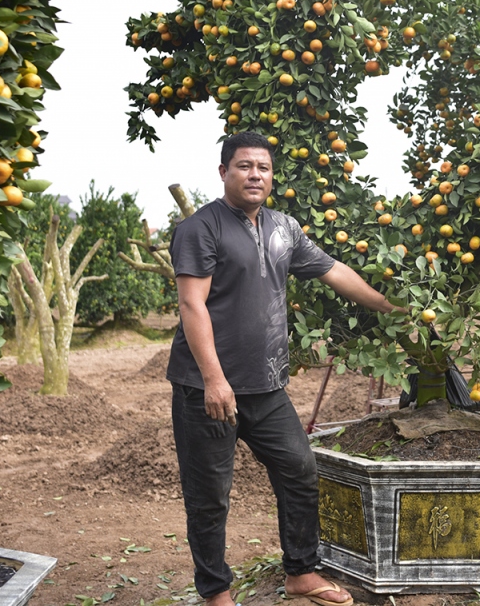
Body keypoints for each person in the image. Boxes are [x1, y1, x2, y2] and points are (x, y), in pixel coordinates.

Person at [168, 132, 404, 606]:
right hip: (207, 390)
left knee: (300, 469)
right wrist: (214, 379)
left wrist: (392, 307)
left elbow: (334, 270)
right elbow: (192, 305)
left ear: (272, 177)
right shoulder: (201, 228)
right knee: (210, 495)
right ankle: (216, 592)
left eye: (263, 168)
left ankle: (300, 572)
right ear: (223, 172)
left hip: (266, 386)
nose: (255, 175)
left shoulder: (284, 228)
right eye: (244, 166)